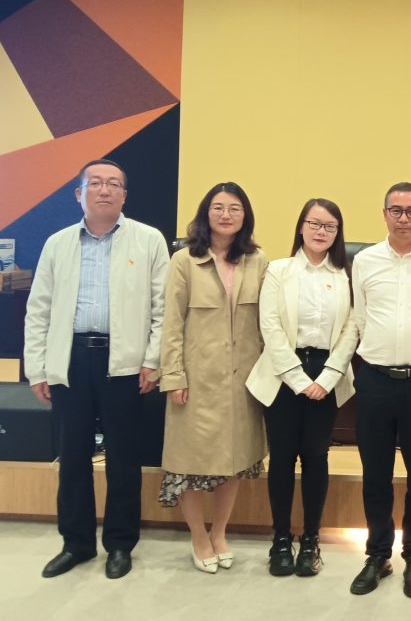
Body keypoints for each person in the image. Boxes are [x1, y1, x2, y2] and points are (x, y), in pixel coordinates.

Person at [24, 159, 169, 579]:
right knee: (72, 457)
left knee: (124, 458)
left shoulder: (148, 240)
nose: (104, 190)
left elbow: (163, 308)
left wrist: (152, 360)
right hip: (70, 359)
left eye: (113, 184)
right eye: (96, 183)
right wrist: (38, 369)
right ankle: (77, 543)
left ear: (125, 194)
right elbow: (38, 310)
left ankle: (120, 544)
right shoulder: (58, 243)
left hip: (124, 362)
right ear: (79, 193)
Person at [157, 182, 268, 574]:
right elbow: (172, 324)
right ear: (206, 213)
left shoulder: (257, 260)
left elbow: (266, 321)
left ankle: (219, 532)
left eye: (235, 208)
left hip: (243, 381)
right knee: (189, 462)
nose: (226, 215)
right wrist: (173, 376)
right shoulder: (184, 260)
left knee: (233, 461)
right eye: (218, 207)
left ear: (245, 216)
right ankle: (198, 537)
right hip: (196, 380)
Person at [347, 182, 411, 598]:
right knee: (375, 475)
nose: (403, 218)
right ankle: (377, 555)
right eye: (396, 210)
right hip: (374, 380)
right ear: (384, 213)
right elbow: (360, 318)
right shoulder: (365, 261)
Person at [247, 198, 358, 577]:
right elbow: (270, 326)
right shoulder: (278, 270)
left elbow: (352, 328)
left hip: (328, 374)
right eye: (314, 223)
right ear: (301, 226)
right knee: (281, 457)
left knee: (316, 456)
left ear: (337, 232)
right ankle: (280, 539)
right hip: (282, 373)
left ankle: (311, 540)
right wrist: (297, 379)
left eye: (329, 226)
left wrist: (327, 378)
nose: (321, 231)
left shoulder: (346, 275)